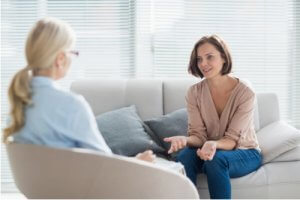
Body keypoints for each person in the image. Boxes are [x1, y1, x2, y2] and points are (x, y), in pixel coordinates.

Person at [3, 17, 155, 162]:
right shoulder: (71, 105)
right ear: (60, 59)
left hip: (36, 188)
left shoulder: (18, 104)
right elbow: (103, 164)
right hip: (73, 187)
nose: (73, 58)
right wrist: (137, 163)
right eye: (72, 53)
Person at [164, 35, 262, 199]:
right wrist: (185, 140)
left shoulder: (245, 93)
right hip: (209, 150)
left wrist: (213, 144)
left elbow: (232, 141)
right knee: (184, 156)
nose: (203, 64)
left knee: (216, 160)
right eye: (199, 59)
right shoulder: (194, 92)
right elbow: (198, 136)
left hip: (244, 152)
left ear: (223, 57)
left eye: (210, 57)